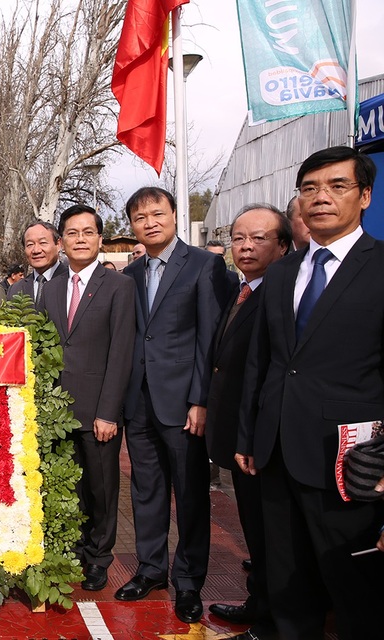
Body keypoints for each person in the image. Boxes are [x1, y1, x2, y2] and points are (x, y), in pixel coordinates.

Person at [237, 146, 384, 638]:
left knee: (355, 588)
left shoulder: (380, 267)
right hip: (278, 453)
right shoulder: (282, 273)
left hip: (351, 462)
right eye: (309, 189)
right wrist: (250, 438)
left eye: (337, 186)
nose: (321, 198)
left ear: (364, 195)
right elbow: (264, 364)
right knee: (287, 584)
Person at [116, 186, 229, 624]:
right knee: (147, 491)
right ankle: (151, 569)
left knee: (190, 493)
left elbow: (209, 340)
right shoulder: (131, 274)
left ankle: (188, 581)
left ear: (175, 215)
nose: (150, 222)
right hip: (139, 402)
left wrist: (200, 400)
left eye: (157, 213)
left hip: (183, 404)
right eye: (140, 216)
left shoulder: (205, 265)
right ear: (132, 225)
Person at [203, 205, 290, 640]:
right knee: (255, 533)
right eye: (239, 238)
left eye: (259, 238)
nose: (246, 247)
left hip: (263, 438)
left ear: (283, 245)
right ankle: (260, 604)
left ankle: (273, 619)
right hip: (237, 435)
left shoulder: (281, 294)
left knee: (272, 536)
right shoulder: (241, 291)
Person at [37, 204, 135, 592]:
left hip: (98, 413)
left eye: (88, 232)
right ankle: (75, 549)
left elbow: (121, 352)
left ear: (100, 239)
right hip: (59, 411)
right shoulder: (54, 286)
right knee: (70, 486)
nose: (80, 239)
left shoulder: (119, 286)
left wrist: (109, 412)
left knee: (102, 488)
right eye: (73, 233)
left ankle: (99, 557)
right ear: (61, 242)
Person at [7, 220, 66, 303]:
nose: (36, 250)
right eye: (30, 245)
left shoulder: (72, 282)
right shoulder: (16, 289)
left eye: (43, 243)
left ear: (59, 244)